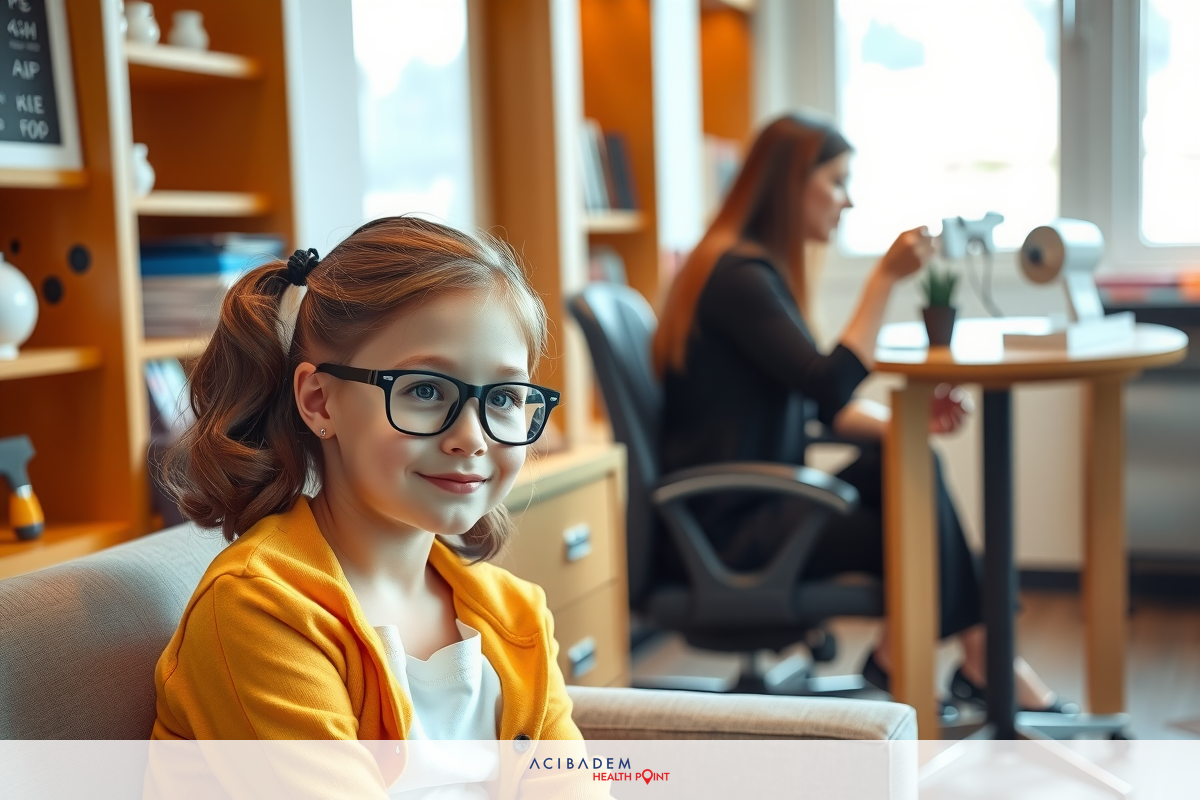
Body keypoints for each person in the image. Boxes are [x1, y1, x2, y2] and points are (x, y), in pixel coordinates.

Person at [152, 217, 598, 796]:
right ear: (320, 402)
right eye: (425, 390)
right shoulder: (258, 611)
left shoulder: (516, 617)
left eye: (506, 397)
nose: (473, 437)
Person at [654, 115, 1074, 718]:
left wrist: (909, 423)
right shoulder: (740, 277)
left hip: (759, 506)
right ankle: (970, 659)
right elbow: (828, 385)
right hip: (733, 531)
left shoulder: (740, 269)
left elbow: (813, 405)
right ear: (789, 184)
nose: (848, 201)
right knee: (914, 517)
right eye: (836, 182)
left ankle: (949, 656)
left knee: (907, 460)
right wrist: (884, 279)